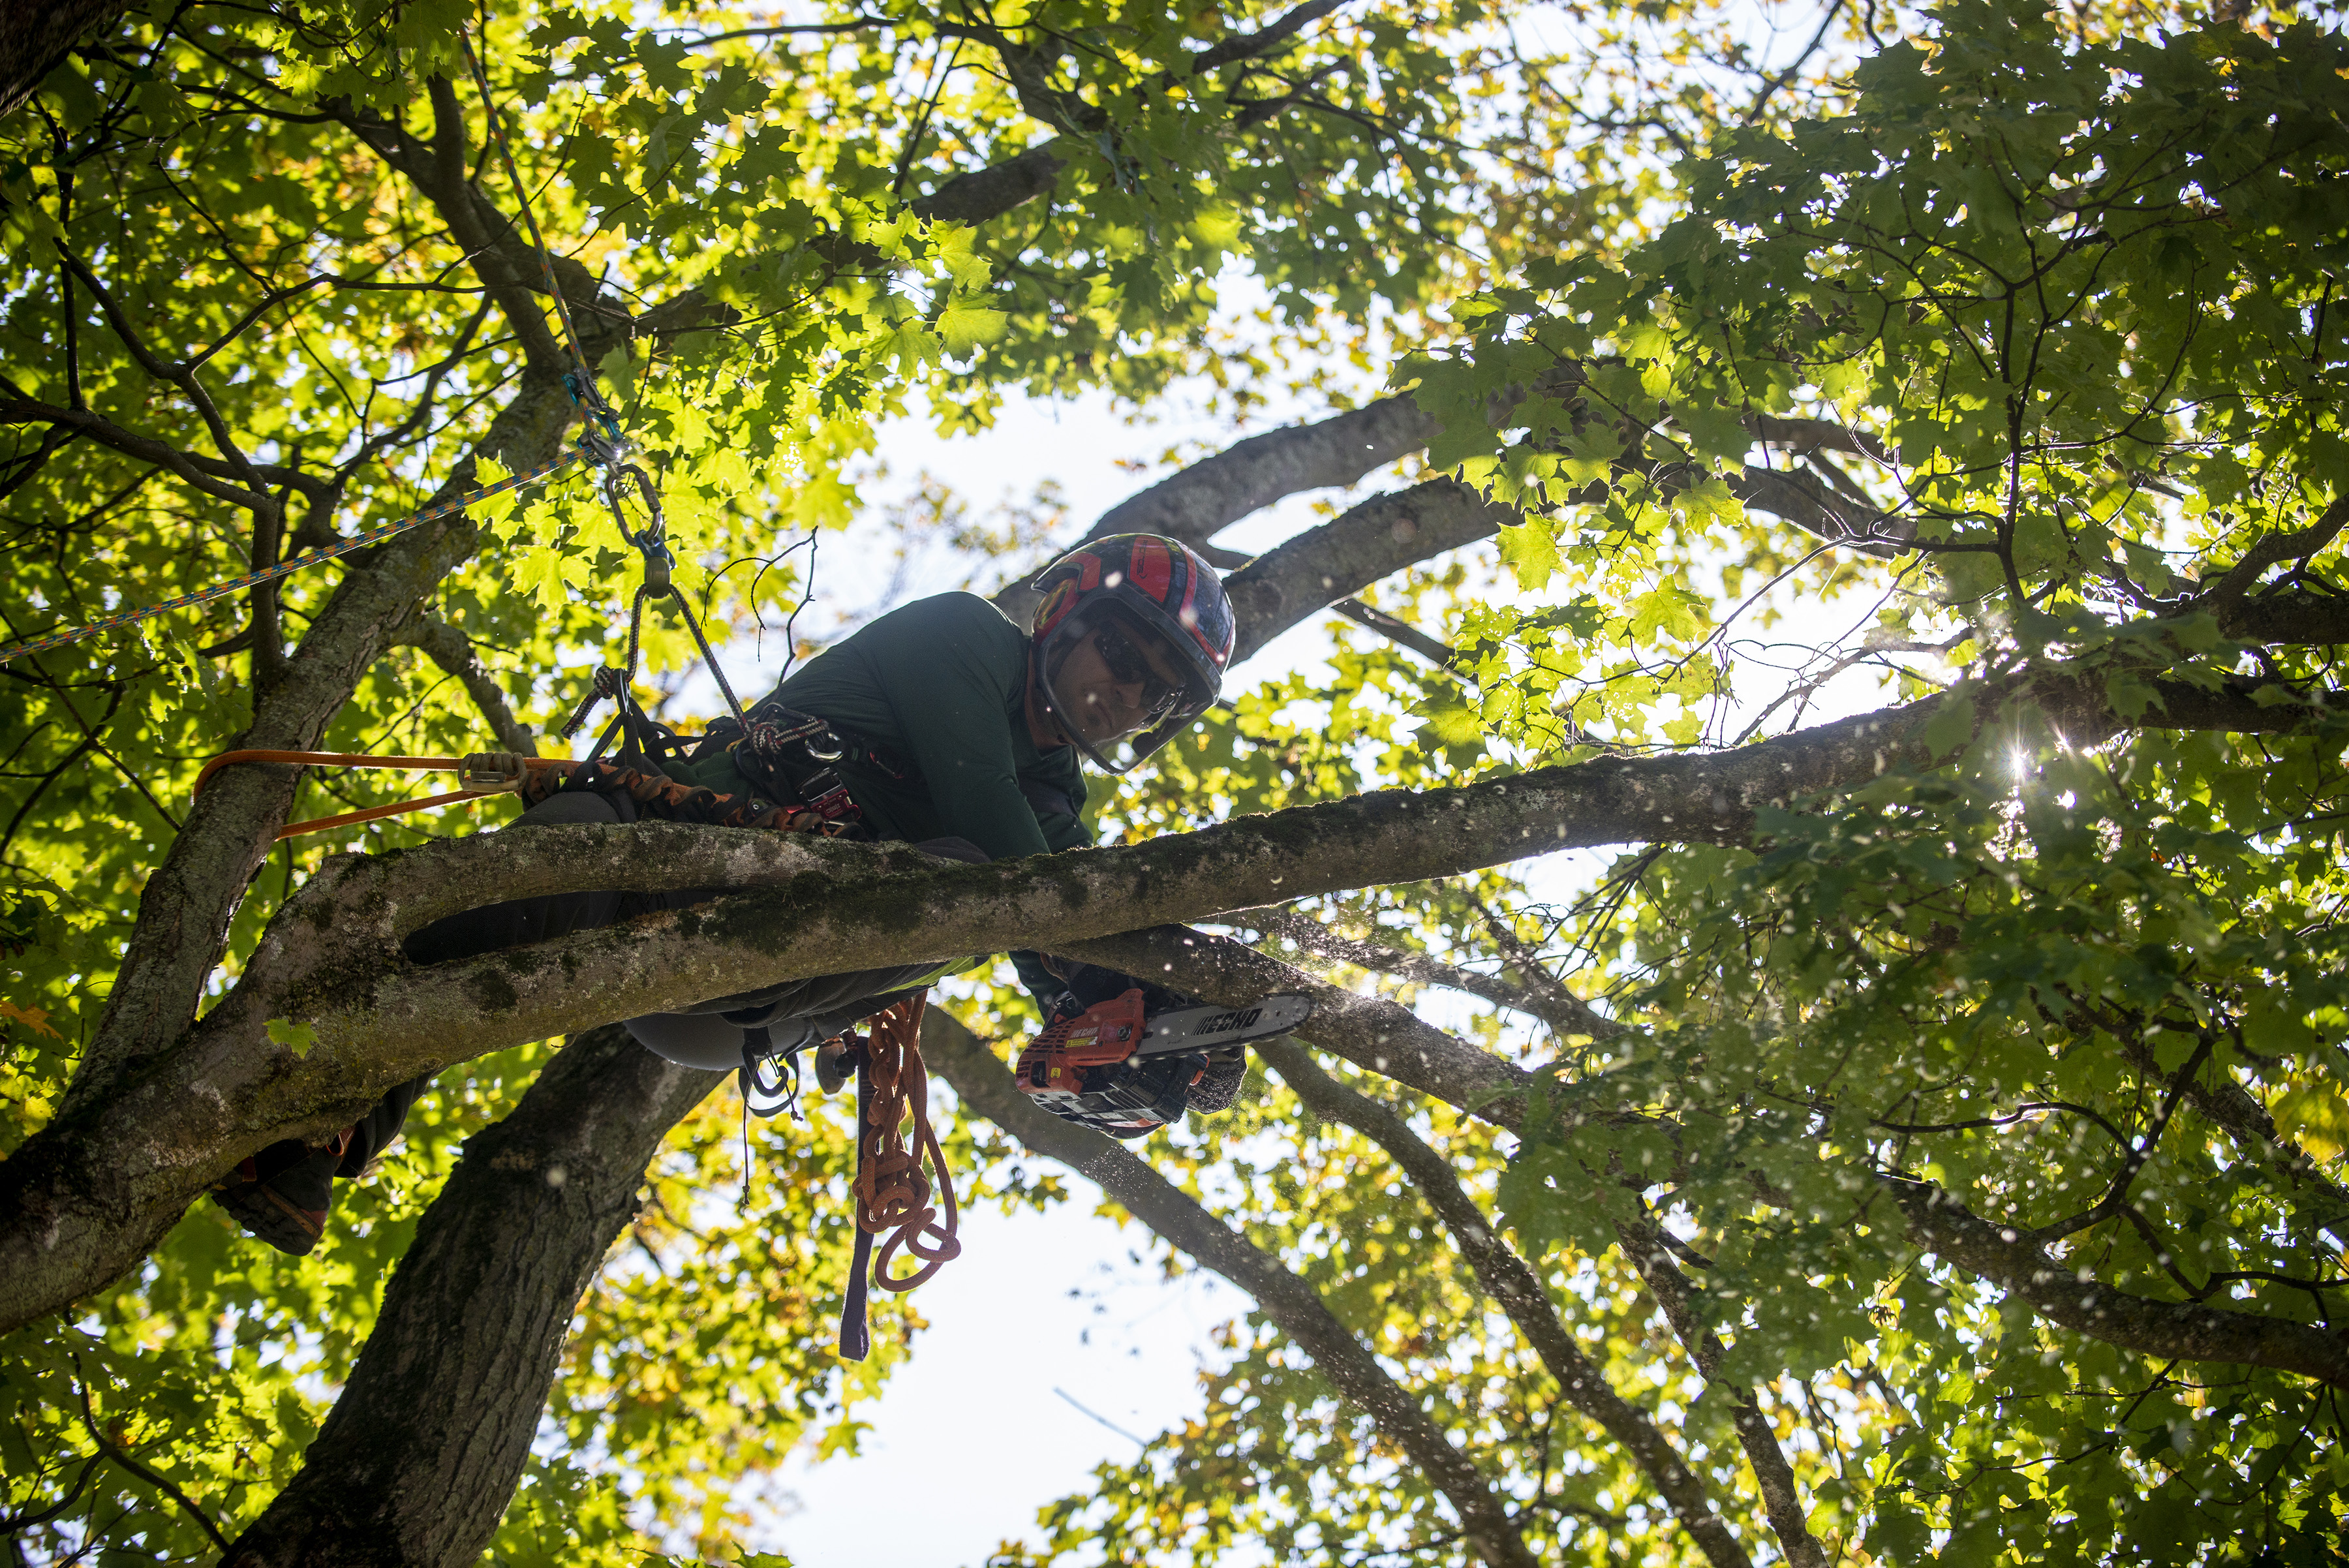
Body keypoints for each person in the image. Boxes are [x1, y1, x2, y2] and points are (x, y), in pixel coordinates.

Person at [211, 534, 1241, 1255]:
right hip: (659, 871)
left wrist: (1128, 1027)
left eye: (1157, 687)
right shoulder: (963, 639)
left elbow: (1047, 924)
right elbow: (1022, 857)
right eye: (1122, 649)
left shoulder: (1056, 808)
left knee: (982, 892)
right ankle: (317, 1128)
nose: (1127, 689)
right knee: (551, 853)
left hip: (773, 987)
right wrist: (1105, 960)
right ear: (1068, 617)